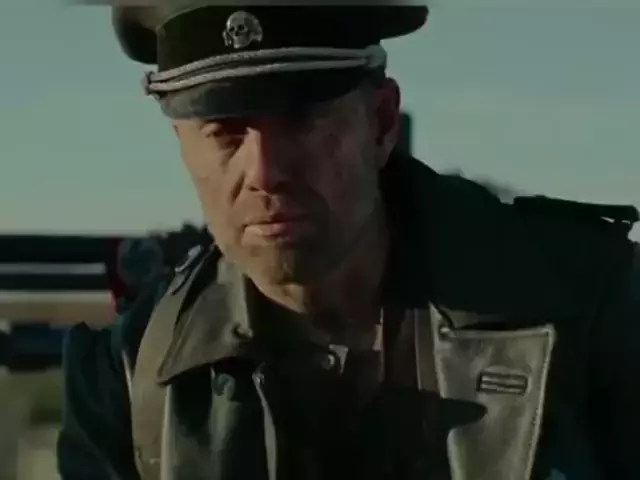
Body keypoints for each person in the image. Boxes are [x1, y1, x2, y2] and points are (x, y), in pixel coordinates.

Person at [57, 2, 640, 480]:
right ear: (183, 147)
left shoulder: (589, 304)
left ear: (382, 123)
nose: (264, 172)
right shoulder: (128, 377)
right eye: (225, 133)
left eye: (302, 120)